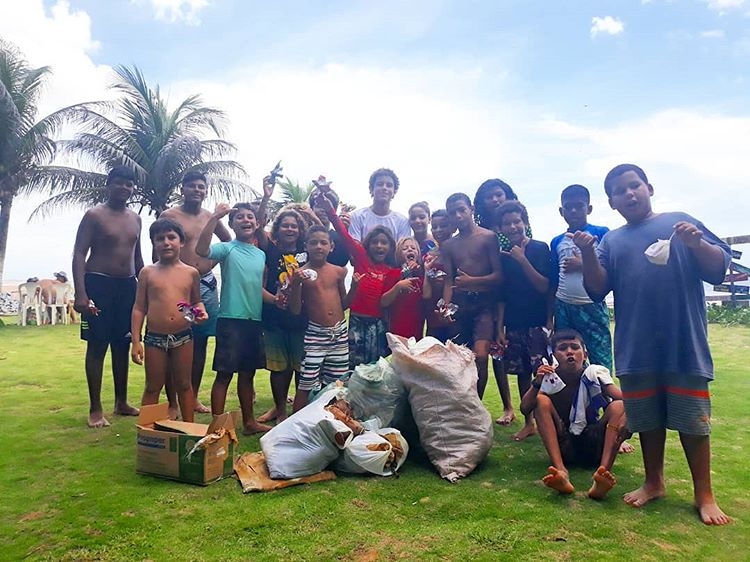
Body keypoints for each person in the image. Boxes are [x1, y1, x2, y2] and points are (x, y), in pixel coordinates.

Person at [572, 163, 731, 525]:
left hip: (683, 342)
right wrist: (586, 254)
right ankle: (653, 482)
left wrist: (696, 243)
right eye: (620, 191)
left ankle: (704, 495)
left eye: (634, 186)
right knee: (647, 420)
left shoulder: (679, 221)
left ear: (649, 187)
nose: (629, 194)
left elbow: (718, 267)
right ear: (611, 203)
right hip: (636, 345)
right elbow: (598, 289)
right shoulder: (612, 240)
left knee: (693, 422)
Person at [72, 165, 144, 428]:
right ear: (109, 184)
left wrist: (146, 287)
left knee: (122, 343)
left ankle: (121, 402)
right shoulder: (94, 215)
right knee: (97, 344)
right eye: (119, 182)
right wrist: (81, 293)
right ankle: (95, 408)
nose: (124, 187)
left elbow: (137, 258)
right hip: (98, 284)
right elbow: (79, 253)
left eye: (129, 183)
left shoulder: (135, 218)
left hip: (127, 286)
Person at [520, 330, 629, 499]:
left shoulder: (595, 374)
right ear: (554, 356)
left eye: (575, 347)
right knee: (541, 402)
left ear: (584, 354)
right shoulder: (549, 378)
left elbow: (623, 400)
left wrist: (618, 432)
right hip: (565, 444)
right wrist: (537, 383)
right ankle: (561, 470)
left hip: (593, 443)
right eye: (563, 348)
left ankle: (603, 473)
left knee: (618, 406)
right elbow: (525, 408)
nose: (569, 352)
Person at [196, 202, 271, 435]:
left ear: (257, 224)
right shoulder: (227, 248)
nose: (246, 220)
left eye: (250, 217)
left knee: (248, 374)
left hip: (253, 320)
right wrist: (214, 218)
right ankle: (216, 426)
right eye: (240, 217)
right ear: (231, 223)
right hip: (230, 320)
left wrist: (276, 299)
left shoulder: (260, 255)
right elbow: (201, 251)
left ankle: (249, 423)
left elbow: (258, 288)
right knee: (225, 374)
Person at [160, 171, 232, 414]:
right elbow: (158, 249)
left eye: (201, 187)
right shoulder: (170, 215)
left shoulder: (210, 217)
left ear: (206, 191)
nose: (197, 190)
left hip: (206, 285)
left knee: (200, 341)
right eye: (192, 186)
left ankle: (193, 396)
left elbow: (226, 241)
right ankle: (172, 402)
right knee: (175, 339)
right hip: (180, 287)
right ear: (183, 189)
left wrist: (209, 265)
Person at [130, 218, 206, 423]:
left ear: (181, 242)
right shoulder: (147, 273)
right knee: (153, 385)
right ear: (154, 244)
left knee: (184, 384)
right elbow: (139, 308)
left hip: (183, 337)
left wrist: (200, 313)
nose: (166, 242)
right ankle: (147, 432)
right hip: (154, 338)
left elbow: (196, 303)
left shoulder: (191, 273)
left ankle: (189, 429)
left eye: (171, 237)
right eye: (160, 239)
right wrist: (136, 341)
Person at [495, 201, 552, 441]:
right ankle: (529, 423)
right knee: (522, 374)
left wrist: (522, 259)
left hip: (538, 323)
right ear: (500, 228)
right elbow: (502, 296)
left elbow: (545, 286)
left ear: (525, 223)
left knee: (545, 373)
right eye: (507, 223)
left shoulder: (540, 248)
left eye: (517, 221)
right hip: (515, 324)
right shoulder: (503, 257)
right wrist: (500, 328)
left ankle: (549, 421)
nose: (512, 226)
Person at [321, 194, 400, 367]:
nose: (379, 246)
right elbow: (343, 233)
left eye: (384, 243)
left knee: (376, 366)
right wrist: (329, 209)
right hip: (357, 320)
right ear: (368, 245)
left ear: (390, 247)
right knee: (354, 365)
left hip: (378, 323)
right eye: (375, 242)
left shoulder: (392, 270)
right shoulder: (361, 258)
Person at [441, 193, 502, 398]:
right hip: (461, 305)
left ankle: (477, 403)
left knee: (481, 356)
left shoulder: (488, 237)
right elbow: (449, 280)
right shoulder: (449, 245)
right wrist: (446, 306)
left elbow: (499, 276)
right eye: (452, 213)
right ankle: (464, 406)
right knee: (460, 359)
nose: (457, 215)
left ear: (471, 210)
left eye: (461, 210)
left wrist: (473, 281)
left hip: (484, 304)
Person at [288, 226, 353, 412]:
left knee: (339, 381)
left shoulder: (339, 271)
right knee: (306, 381)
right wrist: (296, 284)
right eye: (313, 242)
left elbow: (344, 303)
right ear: (306, 246)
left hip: (339, 333)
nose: (319, 246)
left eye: (323, 242)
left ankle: (338, 420)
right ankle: (296, 422)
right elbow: (295, 309)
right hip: (315, 335)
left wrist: (355, 286)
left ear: (331, 247)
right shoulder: (301, 273)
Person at [550, 185, 613, 371]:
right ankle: (572, 399)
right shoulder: (557, 241)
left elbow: (610, 269)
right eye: (569, 207)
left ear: (589, 208)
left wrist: (582, 264)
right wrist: (550, 316)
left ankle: (605, 398)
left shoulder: (601, 233)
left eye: (579, 206)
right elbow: (554, 280)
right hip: (564, 306)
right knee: (566, 360)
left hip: (592, 305)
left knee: (600, 361)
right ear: (562, 211)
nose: (574, 211)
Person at [256, 207, 309, 423]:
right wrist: (266, 198)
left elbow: (326, 236)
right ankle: (280, 409)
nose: (290, 229)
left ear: (300, 230)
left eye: (294, 226)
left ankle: (299, 410)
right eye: (285, 225)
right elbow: (259, 227)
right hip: (274, 316)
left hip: (302, 318)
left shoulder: (308, 253)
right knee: (279, 367)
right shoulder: (271, 250)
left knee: (300, 368)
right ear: (277, 229)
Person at [347, 168, 411, 242]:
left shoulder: (402, 221)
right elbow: (354, 248)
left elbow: (402, 251)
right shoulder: (357, 217)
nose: (384, 188)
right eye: (380, 184)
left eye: (389, 185)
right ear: (371, 189)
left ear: (394, 192)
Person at [422, 209, 457, 341]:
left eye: (443, 226)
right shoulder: (431, 254)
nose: (438, 230)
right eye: (435, 227)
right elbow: (426, 290)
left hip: (455, 308)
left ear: (453, 227)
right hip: (434, 309)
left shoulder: (459, 250)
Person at [381, 236, 424, 339]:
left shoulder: (422, 275)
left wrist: (421, 270)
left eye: (413, 248)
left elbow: (427, 296)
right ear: (399, 255)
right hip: (397, 331)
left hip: (417, 333)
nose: (410, 249)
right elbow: (383, 302)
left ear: (418, 254)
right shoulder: (393, 274)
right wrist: (398, 286)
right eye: (405, 249)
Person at [308, 187, 350, 267]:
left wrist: (344, 233)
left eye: (327, 206)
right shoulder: (302, 234)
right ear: (311, 208)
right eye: (319, 205)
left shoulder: (338, 238)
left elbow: (341, 262)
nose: (323, 210)